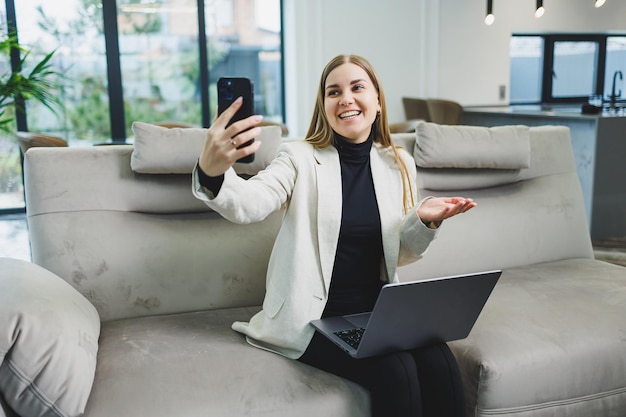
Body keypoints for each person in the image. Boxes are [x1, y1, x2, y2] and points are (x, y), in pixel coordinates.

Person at [193, 54, 476, 417]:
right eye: (333, 91)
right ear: (324, 106)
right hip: (312, 318)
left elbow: (399, 254)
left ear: (377, 101)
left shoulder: (398, 162)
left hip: (375, 310)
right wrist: (213, 172)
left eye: (357, 87)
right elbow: (251, 203)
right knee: (397, 371)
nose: (345, 98)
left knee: (440, 361)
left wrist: (423, 221)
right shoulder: (297, 157)